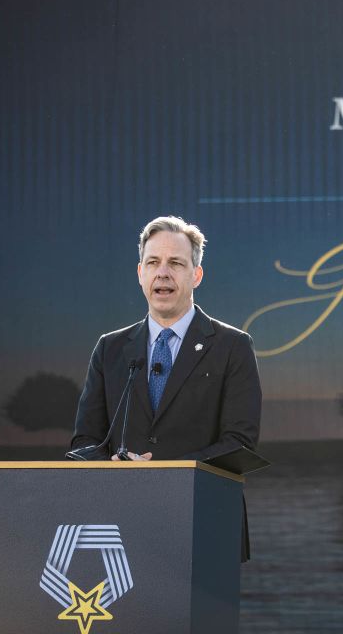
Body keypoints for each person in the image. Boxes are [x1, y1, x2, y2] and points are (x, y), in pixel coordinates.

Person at [70, 215, 262, 560]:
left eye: (176, 263)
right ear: (140, 273)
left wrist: (165, 474)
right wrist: (113, 465)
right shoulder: (110, 349)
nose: (163, 273)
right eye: (153, 262)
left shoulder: (233, 346)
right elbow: (85, 442)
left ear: (196, 275)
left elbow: (240, 443)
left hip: (205, 524)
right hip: (119, 527)